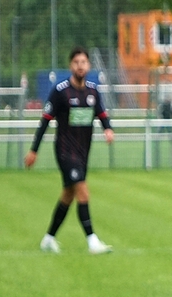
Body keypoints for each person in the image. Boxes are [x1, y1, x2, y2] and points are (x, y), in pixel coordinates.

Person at [25, 47, 114, 254]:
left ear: (88, 66)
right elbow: (45, 121)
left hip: (83, 152)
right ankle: (92, 241)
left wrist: (108, 129)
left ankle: (48, 239)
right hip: (65, 151)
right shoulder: (60, 91)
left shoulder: (93, 91)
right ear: (70, 66)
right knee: (82, 190)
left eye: (83, 62)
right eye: (76, 62)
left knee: (68, 194)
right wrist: (34, 150)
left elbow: (101, 114)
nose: (80, 66)